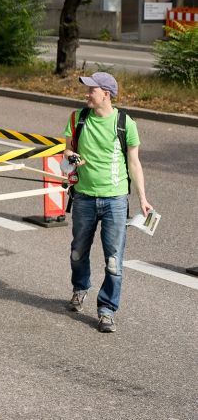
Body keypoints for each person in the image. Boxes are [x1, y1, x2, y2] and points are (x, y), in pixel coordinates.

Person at [64, 71, 153, 333]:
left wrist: (143, 198)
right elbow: (67, 149)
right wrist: (71, 157)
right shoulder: (77, 118)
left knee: (113, 260)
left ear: (106, 94)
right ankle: (80, 288)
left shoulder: (125, 123)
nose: (87, 94)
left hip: (115, 199)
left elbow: (134, 163)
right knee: (78, 252)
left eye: (91, 90)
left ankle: (107, 310)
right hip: (83, 197)